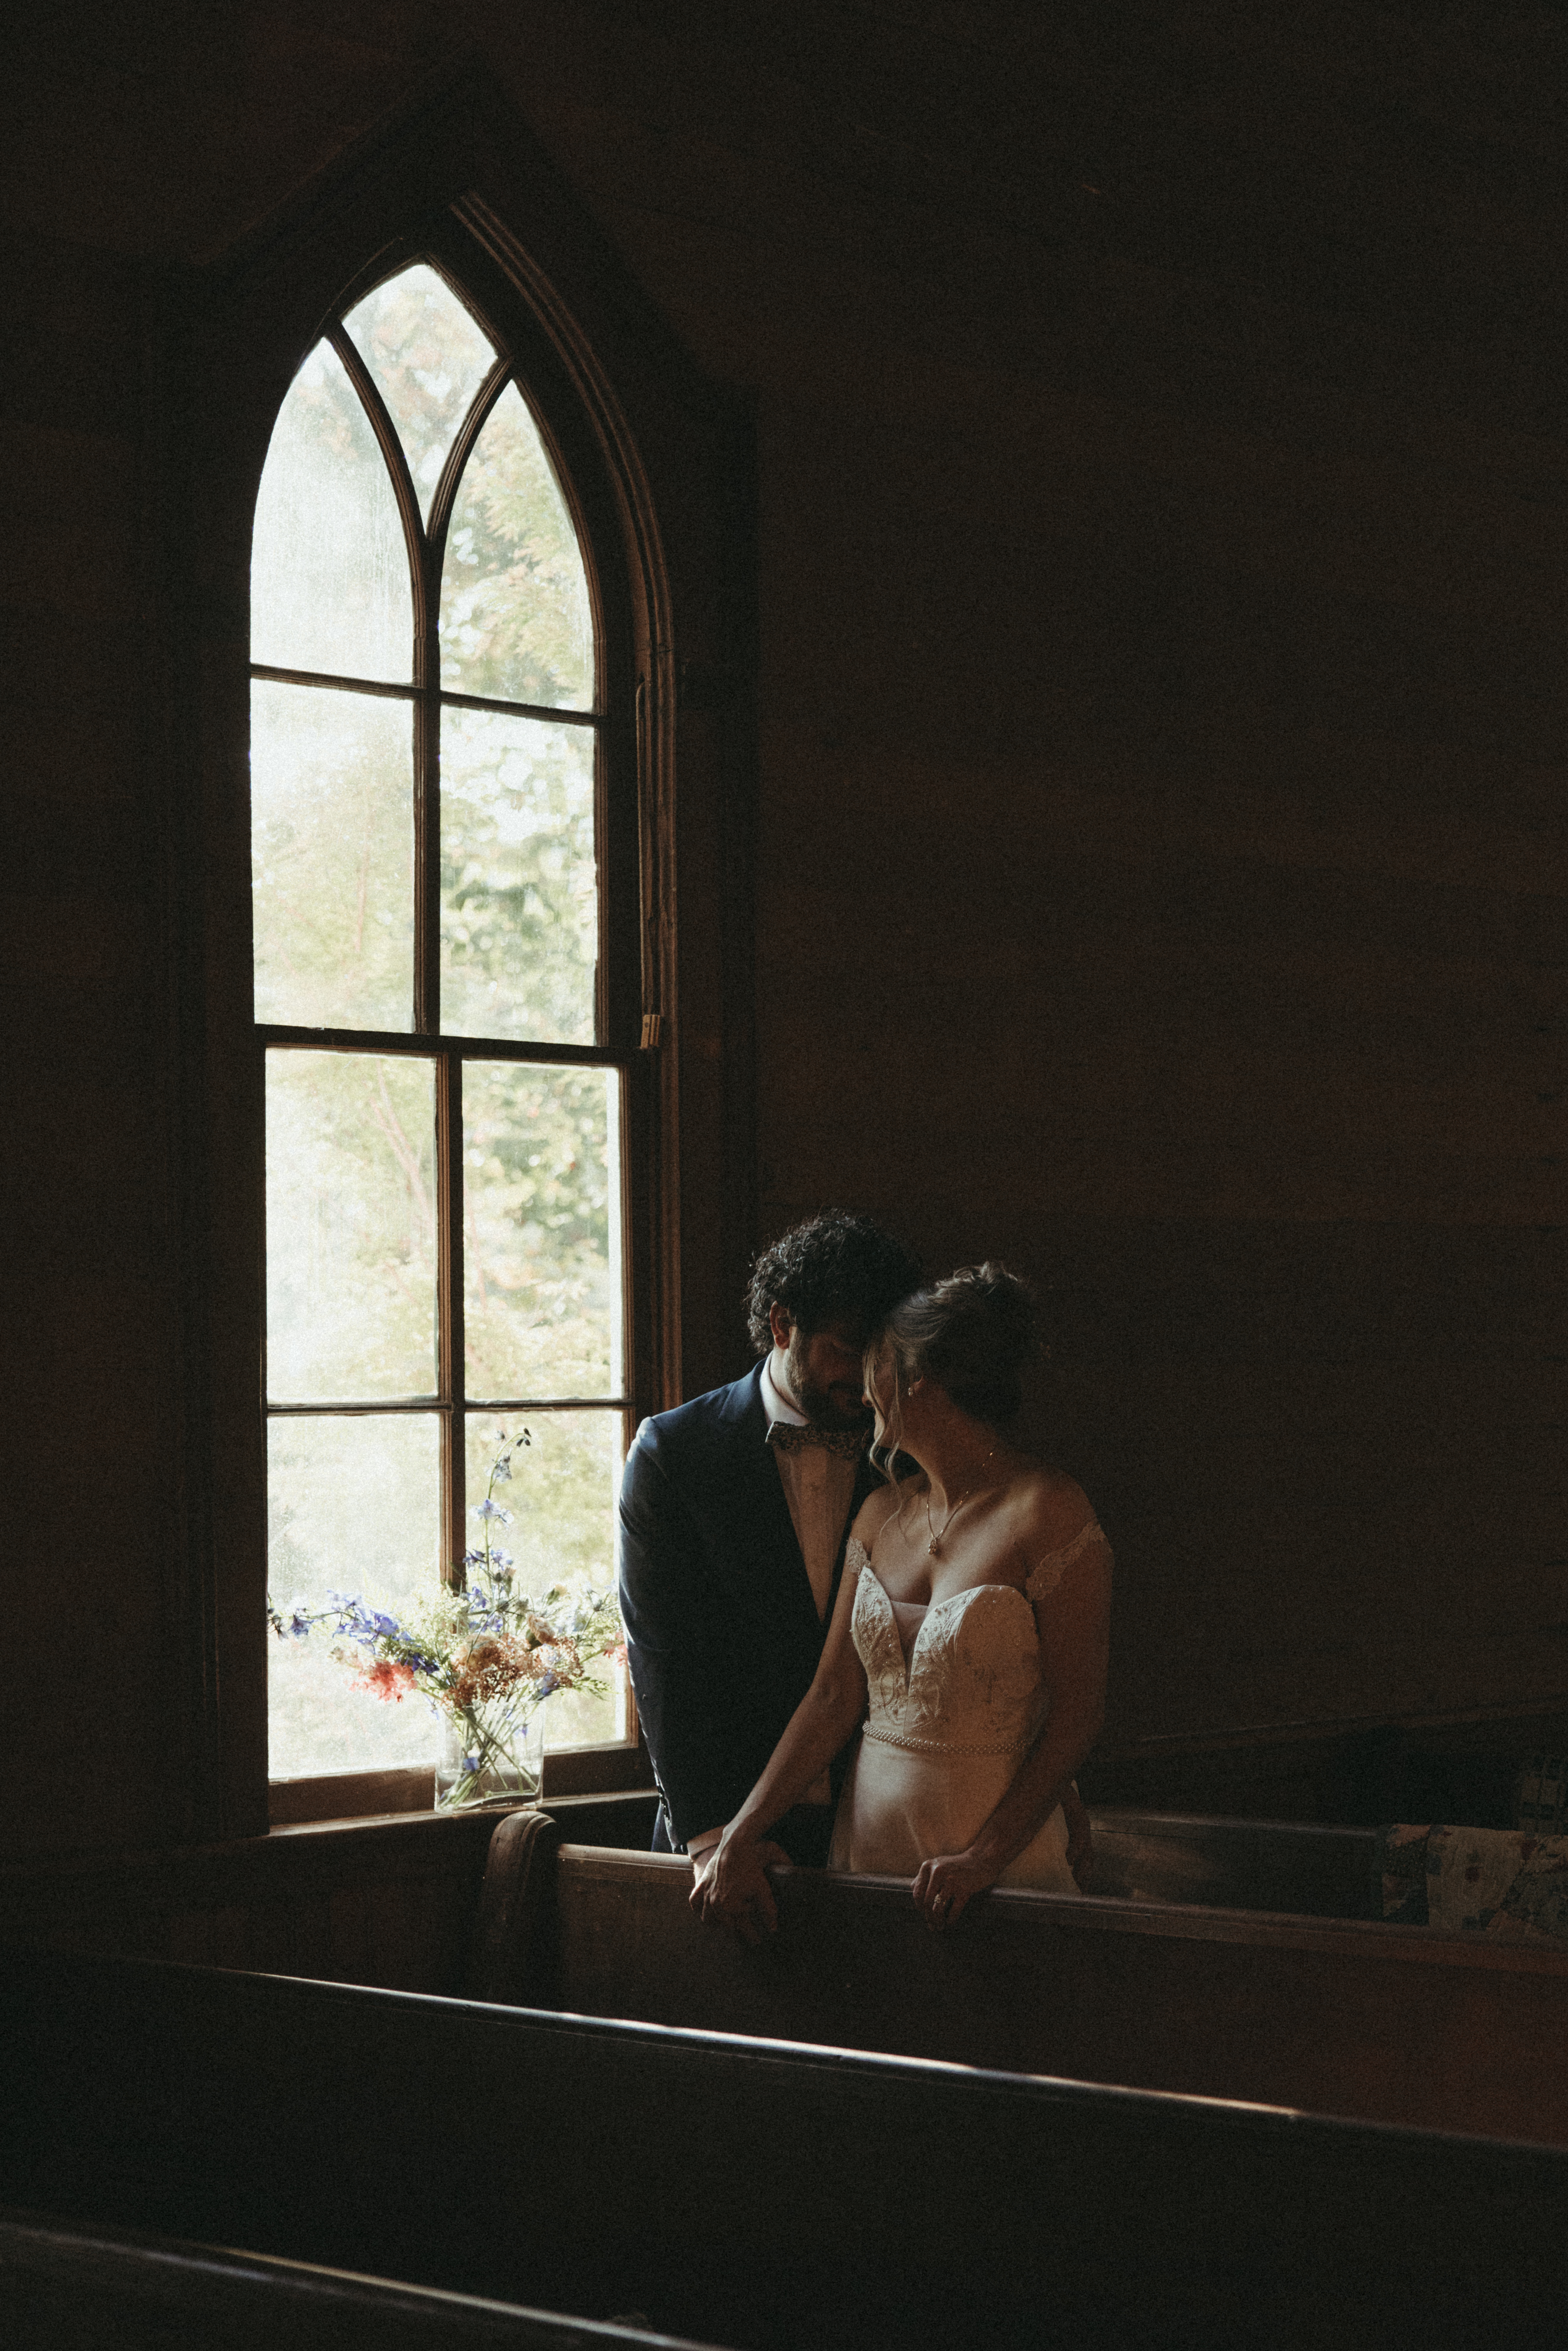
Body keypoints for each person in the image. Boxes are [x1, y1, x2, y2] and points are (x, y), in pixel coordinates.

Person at [695, 1263, 1112, 1938]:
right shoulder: (879, 1516)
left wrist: (984, 1856)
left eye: (876, 1366)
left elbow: (1077, 1713)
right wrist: (741, 1832)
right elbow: (832, 1698)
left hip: (995, 1858)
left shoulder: (1047, 1512)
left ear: (918, 1384)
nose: (863, 1387)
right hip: (868, 1845)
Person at [618, 1212, 924, 1872]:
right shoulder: (675, 1455)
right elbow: (662, 1663)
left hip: (887, 1825)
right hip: (728, 1834)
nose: (869, 1378)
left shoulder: (911, 1453)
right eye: (847, 1348)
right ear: (783, 1325)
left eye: (883, 1353)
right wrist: (709, 1840)